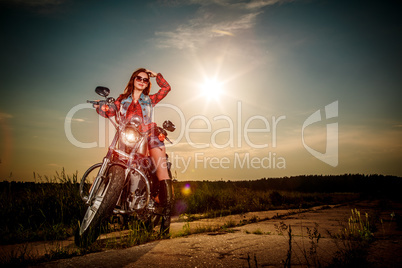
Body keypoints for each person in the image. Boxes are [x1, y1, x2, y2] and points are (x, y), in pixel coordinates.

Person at [95, 68, 173, 235]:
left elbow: (166, 89)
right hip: (127, 137)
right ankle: (100, 216)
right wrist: (100, 107)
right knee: (111, 164)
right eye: (139, 78)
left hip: (148, 135)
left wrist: (156, 75)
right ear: (133, 79)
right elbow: (111, 110)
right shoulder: (122, 99)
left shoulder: (150, 100)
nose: (142, 81)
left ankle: (166, 219)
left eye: (145, 80)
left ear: (146, 84)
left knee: (162, 169)